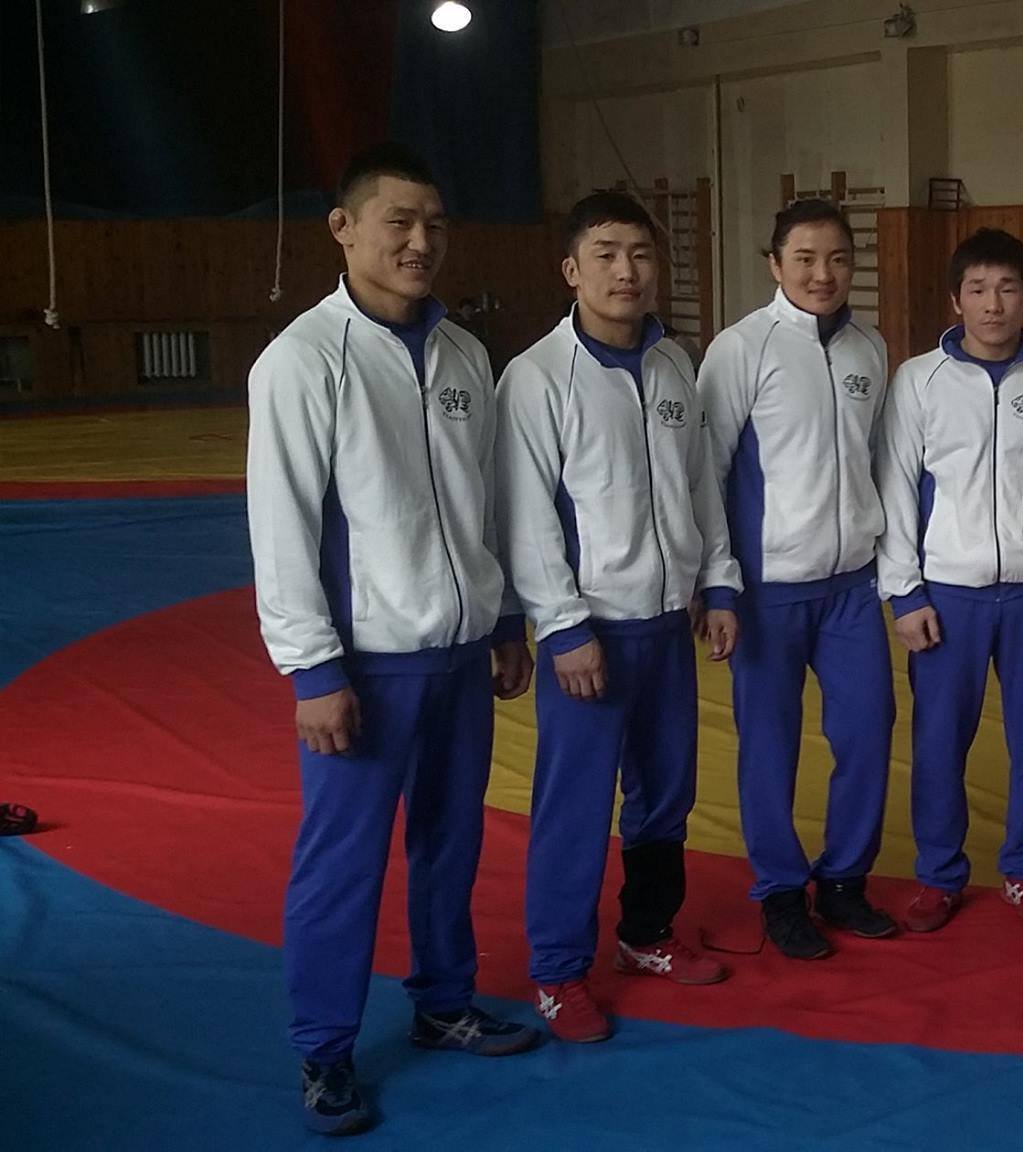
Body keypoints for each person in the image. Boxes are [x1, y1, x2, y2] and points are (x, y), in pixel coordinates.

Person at [246, 142, 540, 1137]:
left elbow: (485, 502)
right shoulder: (302, 360)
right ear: (343, 228)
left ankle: (443, 1002)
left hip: (461, 651)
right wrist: (312, 668)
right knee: (343, 863)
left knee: (451, 844)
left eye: (434, 225)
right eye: (398, 222)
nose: (420, 242)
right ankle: (325, 1049)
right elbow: (282, 525)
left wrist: (505, 618)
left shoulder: (464, 355)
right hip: (366, 664)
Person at [496, 192, 741, 1045]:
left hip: (667, 624)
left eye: (639, 253)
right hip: (590, 636)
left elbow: (700, 488)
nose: (625, 270)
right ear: (572, 269)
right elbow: (523, 513)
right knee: (574, 804)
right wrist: (562, 626)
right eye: (605, 254)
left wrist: (718, 584)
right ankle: (559, 968)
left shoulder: (674, 366)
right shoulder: (536, 378)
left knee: (666, 792)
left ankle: (646, 933)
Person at [875, 227, 1023, 933]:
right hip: (948, 594)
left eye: (1007, 289)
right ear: (956, 299)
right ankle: (939, 874)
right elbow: (895, 489)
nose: (993, 304)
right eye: (977, 289)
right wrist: (904, 592)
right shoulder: (918, 381)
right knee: (939, 743)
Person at [698, 199, 899, 960]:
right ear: (775, 264)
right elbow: (707, 473)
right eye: (806, 259)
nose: (823, 274)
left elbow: (876, 460)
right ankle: (781, 890)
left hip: (851, 586)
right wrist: (720, 584)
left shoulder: (869, 348)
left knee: (869, 729)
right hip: (767, 589)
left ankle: (844, 878)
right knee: (770, 746)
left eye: (838, 259)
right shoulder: (740, 349)